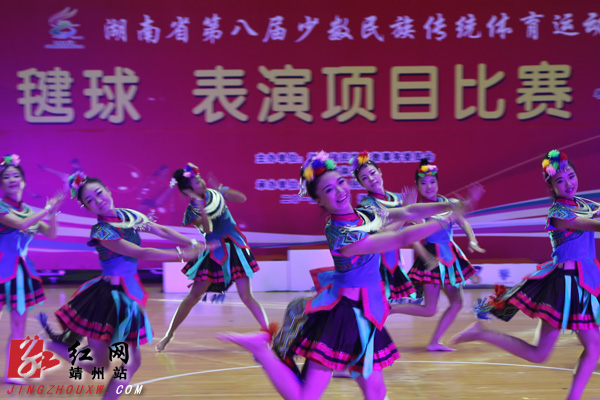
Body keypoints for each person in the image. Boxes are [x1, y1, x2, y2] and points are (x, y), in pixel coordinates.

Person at [218, 151, 484, 400]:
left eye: (341, 183)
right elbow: (399, 238)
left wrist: (450, 205)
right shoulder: (340, 234)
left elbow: (409, 212)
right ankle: (262, 351)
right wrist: (449, 218)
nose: (339, 191)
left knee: (376, 391)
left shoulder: (363, 214)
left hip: (366, 312)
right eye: (328, 190)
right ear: (319, 201)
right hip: (343, 315)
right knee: (306, 396)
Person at [39, 171, 203, 400]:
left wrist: (193, 241)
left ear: (108, 190)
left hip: (128, 296)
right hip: (108, 299)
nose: (98, 201)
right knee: (100, 365)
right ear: (87, 207)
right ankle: (52, 346)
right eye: (90, 201)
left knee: (131, 362)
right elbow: (140, 252)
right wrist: (183, 254)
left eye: (99, 193)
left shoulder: (129, 215)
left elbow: (160, 230)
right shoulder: (101, 231)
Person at [451, 150, 600, 400]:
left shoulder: (584, 204)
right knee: (589, 348)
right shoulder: (558, 213)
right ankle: (481, 333)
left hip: (585, 282)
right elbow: (591, 224)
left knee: (547, 353)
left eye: (571, 176)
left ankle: (481, 332)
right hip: (566, 287)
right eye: (560, 180)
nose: (568, 183)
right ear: (551, 187)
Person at [155, 163, 270, 352]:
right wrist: (200, 206)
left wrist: (221, 189)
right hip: (214, 251)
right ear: (188, 190)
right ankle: (169, 334)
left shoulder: (215, 194)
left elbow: (242, 198)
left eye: (200, 179)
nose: (201, 182)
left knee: (246, 295)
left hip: (235, 246)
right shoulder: (191, 212)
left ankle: (268, 333)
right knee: (193, 296)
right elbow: (208, 229)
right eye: (196, 182)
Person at [389, 158, 484, 351]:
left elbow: (462, 221)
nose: (429, 186)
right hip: (432, 257)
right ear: (417, 186)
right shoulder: (418, 209)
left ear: (438, 183)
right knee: (429, 309)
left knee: (457, 302)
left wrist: (472, 239)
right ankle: (390, 308)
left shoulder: (447, 203)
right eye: (423, 183)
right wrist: (425, 255)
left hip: (451, 257)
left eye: (432, 182)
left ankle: (434, 342)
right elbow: (414, 235)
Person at [353, 151, 466, 302]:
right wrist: (406, 214)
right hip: (376, 266)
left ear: (380, 172)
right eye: (364, 178)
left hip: (394, 263)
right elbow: (381, 235)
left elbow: (417, 226)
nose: (371, 179)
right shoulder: (366, 206)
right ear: (361, 184)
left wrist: (416, 215)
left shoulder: (398, 198)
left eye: (373, 173)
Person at [0, 154, 63, 384]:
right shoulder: (2, 207)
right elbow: (21, 224)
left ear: (23, 182)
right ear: (1, 183)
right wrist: (47, 209)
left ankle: (13, 372)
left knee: (19, 322)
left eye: (16, 175)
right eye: (6, 176)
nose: (12, 179)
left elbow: (51, 233)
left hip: (20, 272)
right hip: (2, 268)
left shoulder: (28, 210)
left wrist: (53, 213)